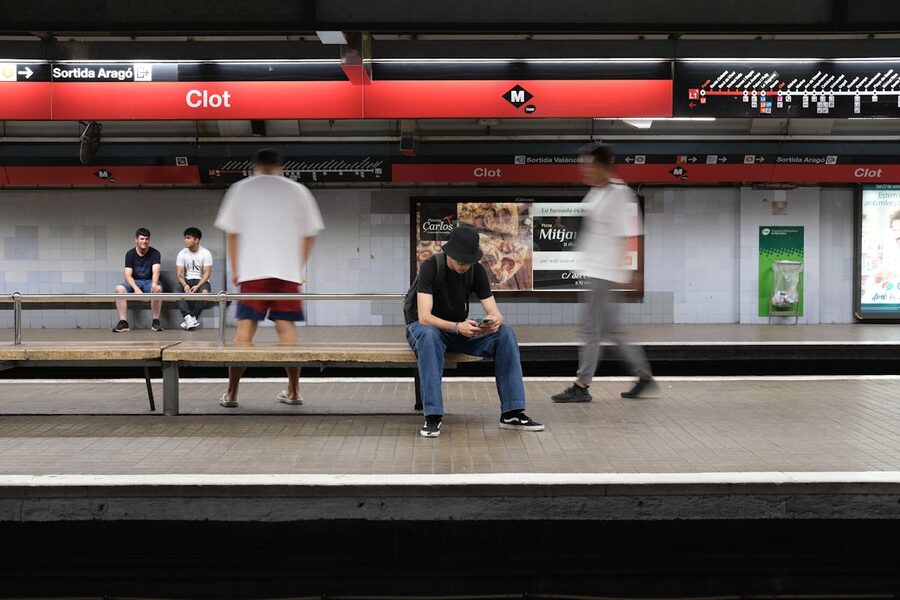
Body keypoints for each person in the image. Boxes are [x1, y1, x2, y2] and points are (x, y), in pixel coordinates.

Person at [406, 224, 544, 438]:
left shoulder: (476, 270)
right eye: (461, 261)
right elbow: (424, 317)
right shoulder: (431, 267)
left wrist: (493, 322)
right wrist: (457, 327)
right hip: (426, 328)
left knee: (505, 333)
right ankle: (433, 416)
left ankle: (512, 413)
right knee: (430, 337)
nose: (465, 266)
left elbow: (494, 312)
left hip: (458, 328)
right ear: (450, 253)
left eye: (469, 261)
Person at [214, 148, 324, 408]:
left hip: (253, 273)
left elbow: (232, 234)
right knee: (287, 329)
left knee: (244, 331)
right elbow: (310, 234)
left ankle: (232, 393)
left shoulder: (240, 189)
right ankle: (294, 391)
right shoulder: (298, 191)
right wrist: (297, 265)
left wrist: (236, 269)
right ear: (280, 167)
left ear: (255, 166)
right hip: (286, 273)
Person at [551, 144, 657, 403]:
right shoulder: (596, 192)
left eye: (588, 166)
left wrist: (635, 272)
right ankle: (644, 376)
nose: (584, 171)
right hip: (594, 270)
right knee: (612, 330)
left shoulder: (620, 194)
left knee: (590, 330)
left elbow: (632, 234)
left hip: (604, 272)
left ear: (601, 166)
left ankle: (582, 385)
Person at [112, 227, 163, 332]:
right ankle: (123, 323)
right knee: (119, 289)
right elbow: (127, 275)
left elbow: (156, 271)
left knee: (157, 289)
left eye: (147, 239)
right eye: (142, 239)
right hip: (135, 281)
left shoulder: (155, 253)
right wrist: (136, 288)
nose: (144, 241)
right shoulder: (130, 254)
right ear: (136, 240)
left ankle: (155, 322)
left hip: (149, 281)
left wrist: (154, 284)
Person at [175, 227, 214, 330]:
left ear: (196, 240)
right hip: (187, 280)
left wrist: (197, 286)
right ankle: (188, 317)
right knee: (176, 292)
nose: (185, 240)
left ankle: (192, 318)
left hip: (201, 281)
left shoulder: (206, 253)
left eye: (188, 238)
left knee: (204, 293)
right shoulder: (182, 253)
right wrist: (184, 285)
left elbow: (207, 274)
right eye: (185, 238)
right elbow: (179, 273)